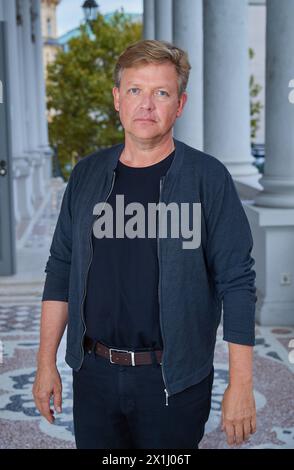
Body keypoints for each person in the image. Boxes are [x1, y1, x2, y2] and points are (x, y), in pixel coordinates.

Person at [33, 39, 257, 449]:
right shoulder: (86, 176)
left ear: (180, 104)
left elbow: (238, 282)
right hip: (94, 374)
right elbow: (60, 268)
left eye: (162, 93)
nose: (146, 104)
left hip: (173, 381)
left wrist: (241, 384)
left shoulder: (208, 179)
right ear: (117, 98)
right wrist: (45, 362)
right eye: (135, 90)